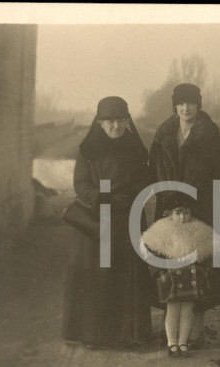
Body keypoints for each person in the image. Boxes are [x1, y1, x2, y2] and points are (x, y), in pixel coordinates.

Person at [62, 96, 154, 349]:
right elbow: (80, 184)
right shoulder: (88, 149)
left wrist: (130, 195)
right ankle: (95, 335)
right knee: (97, 276)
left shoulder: (135, 149)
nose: (115, 125)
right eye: (109, 121)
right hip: (97, 220)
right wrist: (102, 197)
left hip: (128, 218)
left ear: (127, 121)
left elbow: (146, 179)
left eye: (120, 120)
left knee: (127, 276)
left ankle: (129, 335)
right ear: (100, 123)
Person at [149, 83, 220, 349]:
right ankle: (171, 331)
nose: (186, 108)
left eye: (191, 103)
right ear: (175, 106)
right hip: (168, 213)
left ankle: (195, 329)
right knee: (169, 269)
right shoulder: (163, 136)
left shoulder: (212, 138)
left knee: (197, 271)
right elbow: (153, 173)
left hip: (201, 212)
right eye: (181, 103)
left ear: (199, 105)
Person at [140, 193, 220, 358]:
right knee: (172, 310)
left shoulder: (200, 231)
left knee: (187, 310)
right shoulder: (161, 230)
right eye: (178, 213)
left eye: (186, 213)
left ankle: (183, 342)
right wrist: (160, 271)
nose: (182, 217)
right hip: (171, 278)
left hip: (190, 277)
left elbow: (207, 253)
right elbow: (150, 250)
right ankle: (172, 343)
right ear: (170, 213)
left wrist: (203, 271)